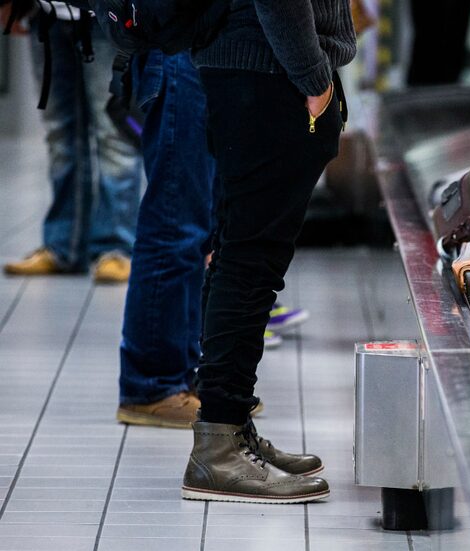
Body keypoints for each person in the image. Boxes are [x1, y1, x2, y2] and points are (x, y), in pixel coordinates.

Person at [180, 0, 356, 504]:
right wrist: (313, 79)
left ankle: (228, 428)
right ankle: (217, 445)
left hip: (247, 67)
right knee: (250, 262)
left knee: (239, 251)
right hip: (269, 73)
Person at [115, 51, 312, 428]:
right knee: (174, 220)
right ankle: (151, 385)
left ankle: (180, 373)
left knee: (196, 229)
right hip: (177, 56)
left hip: (195, 55)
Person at [3, 11, 142, 284]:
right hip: (44, 13)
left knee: (113, 133)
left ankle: (117, 246)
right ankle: (63, 246)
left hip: (106, 14)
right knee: (60, 133)